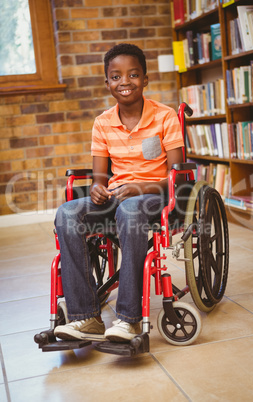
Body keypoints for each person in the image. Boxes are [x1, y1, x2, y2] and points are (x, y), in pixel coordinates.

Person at [54, 43, 184, 343]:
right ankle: (85, 317)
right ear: (107, 83)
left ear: (146, 79)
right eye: (116, 77)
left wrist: (141, 187)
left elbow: (176, 177)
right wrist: (99, 188)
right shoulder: (102, 123)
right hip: (118, 195)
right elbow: (100, 176)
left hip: (155, 196)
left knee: (130, 209)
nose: (125, 82)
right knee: (68, 212)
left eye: (133, 74)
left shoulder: (164, 117)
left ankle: (129, 319)